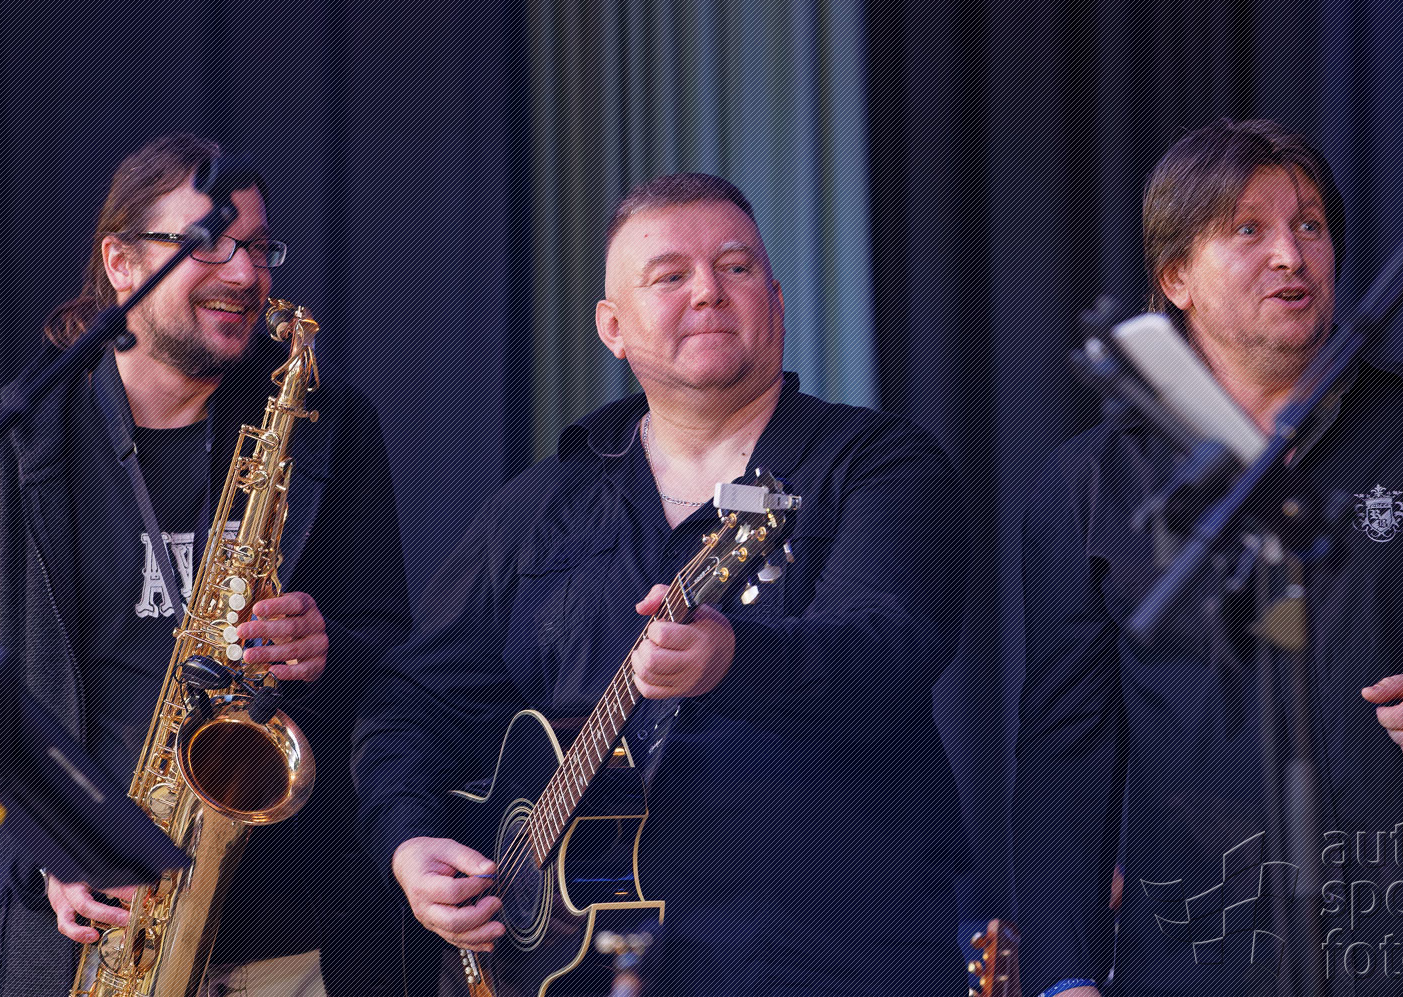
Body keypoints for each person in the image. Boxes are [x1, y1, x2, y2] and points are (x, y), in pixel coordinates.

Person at [353, 172, 967, 995]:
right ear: (612, 327)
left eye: (735, 268)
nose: (708, 291)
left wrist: (735, 658)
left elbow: (888, 651)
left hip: (824, 960)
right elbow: (412, 701)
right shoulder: (537, 507)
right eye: (670, 275)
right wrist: (407, 840)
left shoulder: (879, 465)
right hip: (576, 975)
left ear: (777, 302)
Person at [0, 134, 413, 996]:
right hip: (93, 945)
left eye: (258, 247)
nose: (244, 274)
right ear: (121, 261)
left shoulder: (328, 425)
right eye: (208, 242)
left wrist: (330, 651)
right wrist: (34, 861)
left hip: (296, 942)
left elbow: (394, 655)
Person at [1013, 118, 1403, 996]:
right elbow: (1064, 753)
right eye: (1246, 229)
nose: (1288, 255)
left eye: (1309, 225)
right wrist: (1063, 977)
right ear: (1174, 278)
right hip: (1204, 958)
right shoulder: (1091, 483)